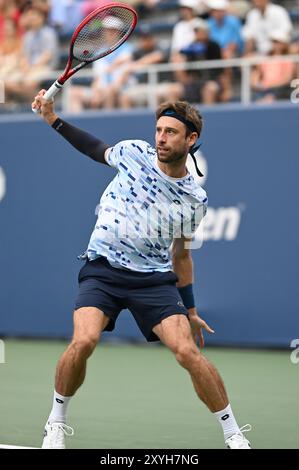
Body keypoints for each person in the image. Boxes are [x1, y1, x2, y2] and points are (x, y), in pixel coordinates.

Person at [32, 91, 252, 450]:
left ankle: (234, 434)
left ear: (191, 139)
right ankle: (55, 422)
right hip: (102, 269)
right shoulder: (134, 154)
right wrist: (52, 118)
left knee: (187, 351)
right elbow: (93, 148)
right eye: (159, 130)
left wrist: (191, 309)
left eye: (171, 133)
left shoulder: (194, 200)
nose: (161, 138)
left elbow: (181, 256)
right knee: (84, 340)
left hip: (152, 279)